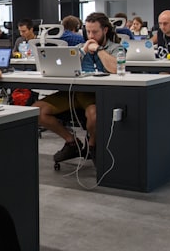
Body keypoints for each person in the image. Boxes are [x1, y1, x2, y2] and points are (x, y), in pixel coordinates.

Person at [33, 12, 123, 165]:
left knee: (94, 116)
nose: (91, 35)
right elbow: (65, 66)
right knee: (37, 110)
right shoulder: (80, 47)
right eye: (88, 31)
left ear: (105, 30)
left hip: (96, 95)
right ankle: (71, 142)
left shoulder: (116, 48)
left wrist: (99, 49)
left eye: (95, 31)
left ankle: (92, 145)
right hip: (74, 93)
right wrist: (83, 51)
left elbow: (115, 69)